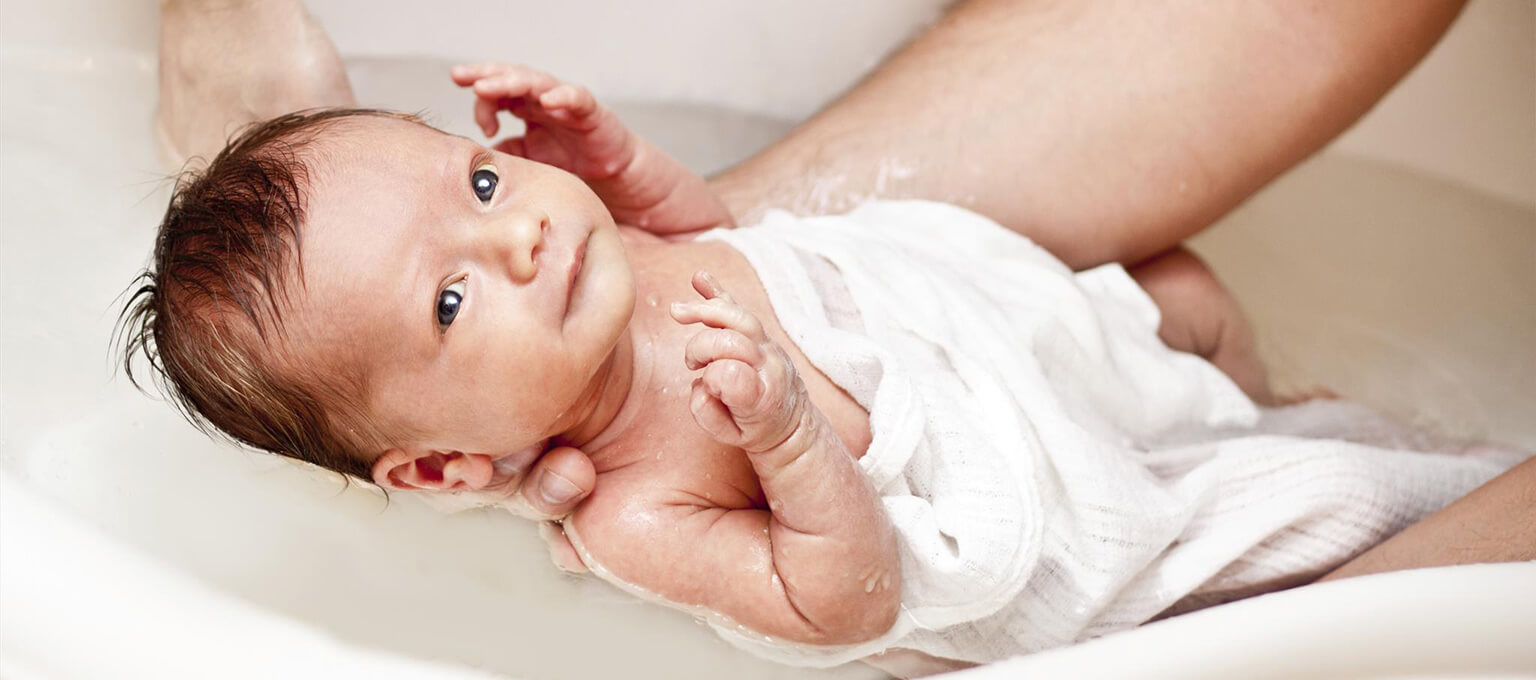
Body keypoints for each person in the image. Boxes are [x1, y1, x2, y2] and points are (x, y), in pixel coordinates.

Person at [148, 0, 1532, 658]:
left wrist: (617, 170)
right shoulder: (634, 511)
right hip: (1030, 528)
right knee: (1295, 528)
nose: (518, 234)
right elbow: (844, 606)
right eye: (454, 297)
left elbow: (720, 242)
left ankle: (1247, 415)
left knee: (1174, 293)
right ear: (446, 466)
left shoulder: (599, 254)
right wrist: (793, 443)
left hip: (1033, 379)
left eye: (486, 181)